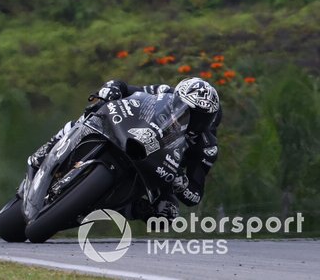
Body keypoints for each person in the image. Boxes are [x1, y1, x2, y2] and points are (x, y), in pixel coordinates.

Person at [28, 77, 221, 220]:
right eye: (183, 107)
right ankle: (47, 151)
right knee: (93, 111)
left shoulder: (206, 146)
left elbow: (195, 195)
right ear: (176, 98)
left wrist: (181, 182)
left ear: (209, 120)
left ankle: (116, 210)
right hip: (130, 135)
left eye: (197, 115)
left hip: (160, 172)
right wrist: (112, 89)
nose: (187, 116)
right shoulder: (164, 92)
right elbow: (128, 89)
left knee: (167, 214)